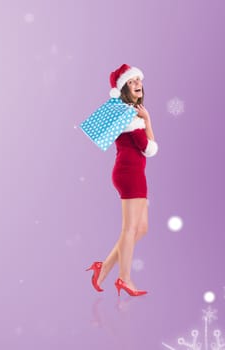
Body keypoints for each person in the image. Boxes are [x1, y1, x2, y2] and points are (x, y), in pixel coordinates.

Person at [86, 64, 158, 297]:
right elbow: (150, 149)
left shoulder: (129, 112)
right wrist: (148, 120)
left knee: (142, 228)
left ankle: (103, 267)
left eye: (139, 79)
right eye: (131, 81)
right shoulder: (131, 116)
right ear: (124, 88)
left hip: (134, 173)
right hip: (129, 174)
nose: (138, 84)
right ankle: (124, 279)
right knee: (129, 229)